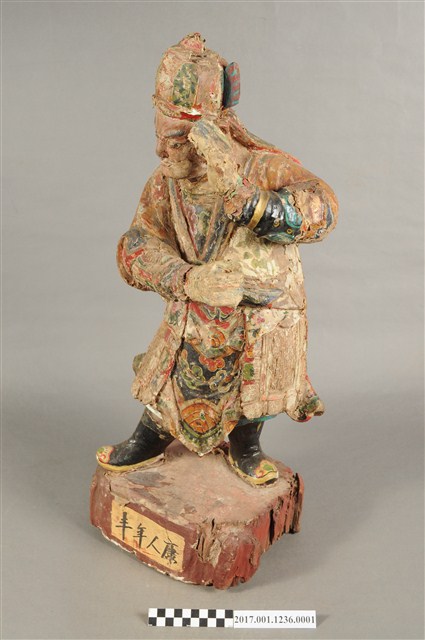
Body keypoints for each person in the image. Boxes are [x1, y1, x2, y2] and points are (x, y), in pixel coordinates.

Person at [96, 33, 338, 487]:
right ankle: (150, 436)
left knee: (252, 388)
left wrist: (245, 198)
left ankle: (247, 446)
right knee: (172, 376)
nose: (160, 152)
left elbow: (322, 209)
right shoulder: (165, 183)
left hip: (257, 315)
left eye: (173, 142)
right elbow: (134, 246)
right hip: (194, 309)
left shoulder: (261, 169)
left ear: (208, 137)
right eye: (158, 137)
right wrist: (187, 279)